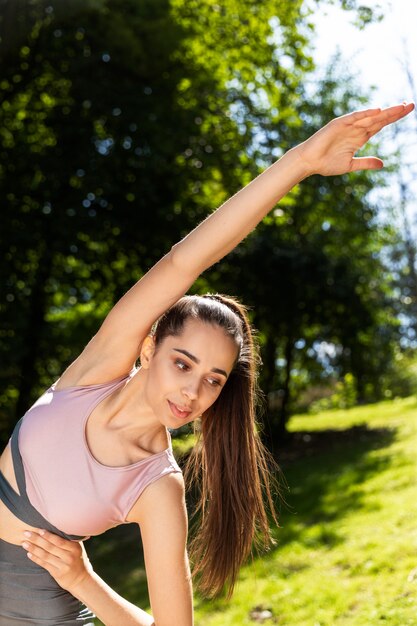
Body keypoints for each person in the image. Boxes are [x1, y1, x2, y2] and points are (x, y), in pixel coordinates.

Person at [0, 102, 414, 626]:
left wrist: (84, 580)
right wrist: (300, 162)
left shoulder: (156, 486)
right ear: (148, 348)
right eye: (183, 364)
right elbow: (185, 260)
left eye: (213, 380)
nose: (192, 392)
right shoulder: (94, 372)